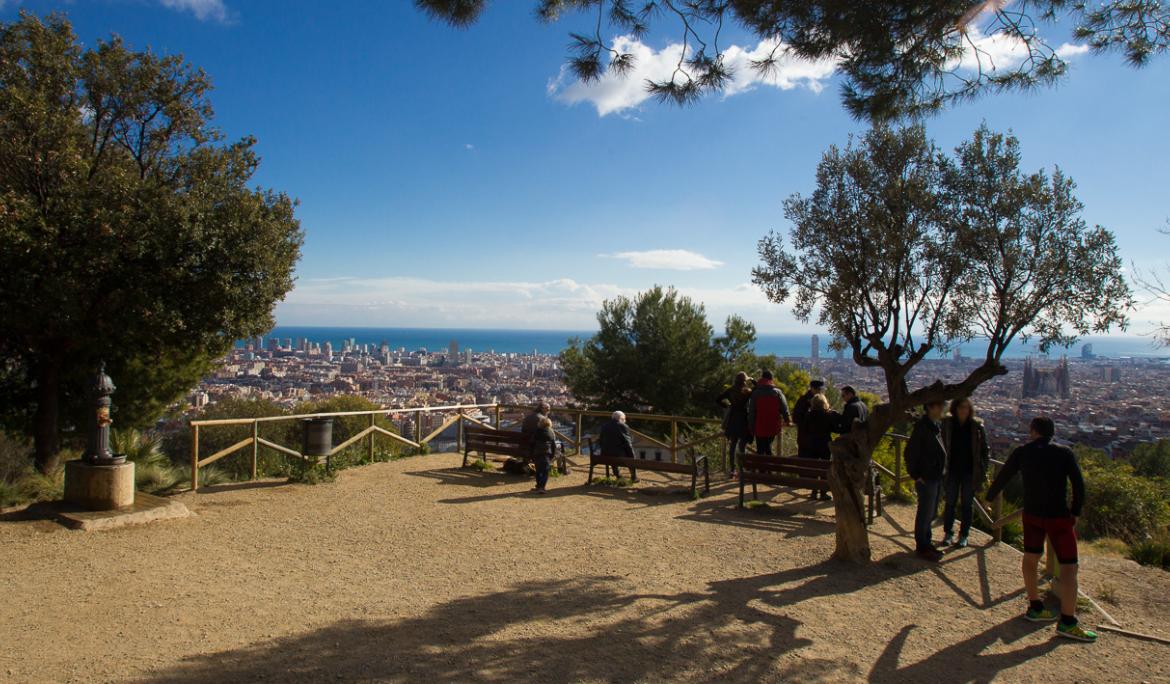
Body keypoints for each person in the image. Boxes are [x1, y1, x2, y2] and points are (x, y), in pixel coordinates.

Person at [985, 417, 1094, 642]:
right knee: (1069, 568)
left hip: (1032, 515)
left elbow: (1004, 475)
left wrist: (989, 496)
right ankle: (1068, 621)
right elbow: (1078, 483)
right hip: (1058, 517)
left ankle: (1035, 605)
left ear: (1033, 431)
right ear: (1051, 433)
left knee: (1030, 557)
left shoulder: (1022, 452)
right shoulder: (1064, 453)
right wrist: (1075, 511)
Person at [940, 397, 990, 548]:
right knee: (950, 503)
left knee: (967, 505)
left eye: (966, 407)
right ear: (954, 408)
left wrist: (983, 469)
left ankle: (964, 535)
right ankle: (948, 533)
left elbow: (984, 451)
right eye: (961, 407)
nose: (963, 410)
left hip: (970, 471)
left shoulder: (977, 426)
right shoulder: (947, 424)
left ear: (970, 410)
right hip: (952, 470)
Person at [905, 399, 948, 562]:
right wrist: (917, 475)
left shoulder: (934, 425)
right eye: (940, 405)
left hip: (934, 476)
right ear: (930, 407)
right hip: (927, 477)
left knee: (929, 512)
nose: (942, 408)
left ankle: (926, 542)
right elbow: (910, 452)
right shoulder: (923, 427)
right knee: (925, 512)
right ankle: (922, 546)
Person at [798, 394, 841, 500]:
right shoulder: (828, 415)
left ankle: (814, 490)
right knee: (825, 468)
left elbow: (804, 429)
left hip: (811, 444)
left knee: (814, 467)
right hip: (824, 443)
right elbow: (835, 429)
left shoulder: (808, 415)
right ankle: (823, 492)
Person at [717, 372, 754, 474]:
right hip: (743, 419)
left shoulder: (730, 390)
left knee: (733, 444)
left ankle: (732, 470)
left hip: (733, 419)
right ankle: (743, 468)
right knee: (742, 445)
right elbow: (757, 389)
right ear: (744, 381)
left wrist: (728, 406)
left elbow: (718, 399)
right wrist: (752, 379)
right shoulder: (747, 391)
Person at [747, 370, 790, 456]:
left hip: (759, 426)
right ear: (771, 379)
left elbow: (751, 413)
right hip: (773, 426)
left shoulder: (755, 393)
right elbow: (784, 408)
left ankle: (763, 468)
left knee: (761, 449)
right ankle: (768, 467)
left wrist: (751, 427)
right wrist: (787, 420)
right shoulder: (777, 392)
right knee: (767, 447)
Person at [599, 410, 637, 480]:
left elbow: (600, 441)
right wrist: (633, 456)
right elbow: (628, 444)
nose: (625, 421)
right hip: (618, 456)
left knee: (612, 450)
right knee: (629, 454)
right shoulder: (623, 426)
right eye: (624, 419)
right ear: (621, 419)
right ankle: (634, 477)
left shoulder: (604, 426)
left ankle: (617, 475)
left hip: (605, 454)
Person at [793, 379, 826, 455]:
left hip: (816, 440)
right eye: (817, 389)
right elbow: (796, 418)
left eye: (820, 389)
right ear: (812, 388)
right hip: (806, 439)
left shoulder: (821, 400)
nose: (819, 391)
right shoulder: (803, 400)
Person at [528, 415, 557, 494]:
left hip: (537, 453)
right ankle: (542, 487)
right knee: (545, 471)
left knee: (538, 470)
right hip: (547, 454)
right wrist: (552, 455)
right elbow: (553, 445)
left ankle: (538, 486)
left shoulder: (537, 431)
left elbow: (532, 443)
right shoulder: (551, 432)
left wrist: (531, 454)